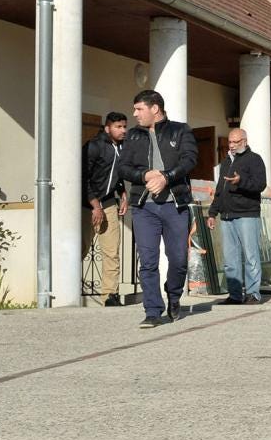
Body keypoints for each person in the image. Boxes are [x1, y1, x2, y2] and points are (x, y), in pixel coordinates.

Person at [120, 89, 198, 328]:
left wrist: (166, 177)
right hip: (144, 207)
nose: (135, 114)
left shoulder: (180, 130)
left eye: (139, 109)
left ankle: (173, 294)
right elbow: (123, 168)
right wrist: (144, 174)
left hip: (175, 205)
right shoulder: (133, 136)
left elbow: (189, 160)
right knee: (148, 260)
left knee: (177, 259)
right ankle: (152, 310)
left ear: (155, 108)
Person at [207, 128, 267, 305]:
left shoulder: (254, 159)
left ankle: (253, 294)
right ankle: (234, 295)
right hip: (226, 215)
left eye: (235, 142)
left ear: (245, 141)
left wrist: (241, 181)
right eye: (230, 142)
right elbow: (220, 189)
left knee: (250, 256)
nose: (232, 145)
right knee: (230, 258)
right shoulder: (226, 162)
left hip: (246, 214)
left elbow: (260, 184)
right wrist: (212, 212)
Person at [82, 111, 128, 306]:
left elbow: (117, 175)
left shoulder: (123, 148)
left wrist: (123, 194)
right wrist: (94, 205)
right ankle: (64, 291)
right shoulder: (93, 146)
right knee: (80, 249)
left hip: (109, 203)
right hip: (86, 205)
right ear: (108, 128)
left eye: (125, 126)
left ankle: (110, 295)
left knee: (111, 251)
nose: (123, 130)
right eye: (119, 127)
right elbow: (83, 177)